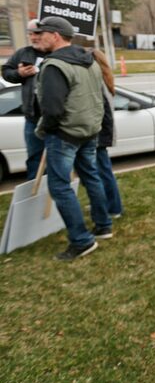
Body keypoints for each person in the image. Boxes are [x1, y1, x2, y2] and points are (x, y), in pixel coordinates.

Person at [34, 16, 112, 260]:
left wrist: (45, 129)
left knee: (59, 187)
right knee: (92, 176)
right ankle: (103, 225)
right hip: (89, 131)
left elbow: (53, 109)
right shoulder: (89, 60)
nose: (38, 37)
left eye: (42, 33)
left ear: (55, 35)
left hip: (64, 135)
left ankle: (81, 240)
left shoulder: (55, 66)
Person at [2, 19, 46, 179]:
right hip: (32, 118)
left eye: (37, 33)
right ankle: (35, 196)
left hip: (55, 119)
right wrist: (18, 74)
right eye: (30, 34)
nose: (34, 37)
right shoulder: (24, 53)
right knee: (34, 159)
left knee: (56, 161)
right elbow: (6, 71)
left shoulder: (56, 53)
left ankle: (54, 197)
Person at [89, 50, 123, 219]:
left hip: (99, 133)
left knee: (103, 172)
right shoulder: (104, 78)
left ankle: (114, 207)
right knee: (101, 171)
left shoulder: (98, 81)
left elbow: (105, 113)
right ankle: (105, 202)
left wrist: (102, 136)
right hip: (100, 132)